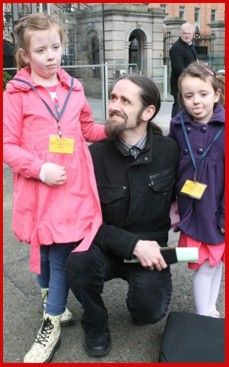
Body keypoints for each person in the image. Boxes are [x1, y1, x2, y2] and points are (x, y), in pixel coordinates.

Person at [3, 13, 107, 363]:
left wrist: (124, 127)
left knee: (60, 256)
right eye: (41, 49)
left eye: (56, 47)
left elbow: (88, 130)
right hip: (40, 190)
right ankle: (55, 303)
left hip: (74, 190)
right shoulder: (15, 93)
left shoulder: (74, 88)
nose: (51, 55)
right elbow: (7, 145)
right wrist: (40, 168)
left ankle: (51, 322)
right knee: (44, 254)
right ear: (25, 55)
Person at [67, 75, 179, 357]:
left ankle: (141, 297)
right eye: (113, 98)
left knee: (149, 312)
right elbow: (82, 221)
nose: (114, 106)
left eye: (125, 101)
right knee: (77, 263)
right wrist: (130, 244)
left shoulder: (169, 151)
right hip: (104, 246)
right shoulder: (94, 156)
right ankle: (94, 322)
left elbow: (195, 194)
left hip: (150, 251)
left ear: (148, 112)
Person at [169, 61, 225, 318]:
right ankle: (205, 313)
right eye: (188, 96)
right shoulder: (177, 126)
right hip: (194, 208)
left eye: (203, 94)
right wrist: (172, 205)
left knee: (217, 261)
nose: (196, 101)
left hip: (218, 207)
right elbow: (171, 167)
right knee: (206, 262)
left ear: (216, 94)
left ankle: (209, 309)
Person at [169, 22, 197, 118]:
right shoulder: (176, 48)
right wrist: (192, 76)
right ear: (180, 33)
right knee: (178, 106)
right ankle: (174, 127)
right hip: (179, 83)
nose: (187, 35)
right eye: (184, 33)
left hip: (188, 81)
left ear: (193, 35)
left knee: (186, 107)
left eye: (189, 33)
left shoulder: (190, 46)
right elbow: (178, 68)